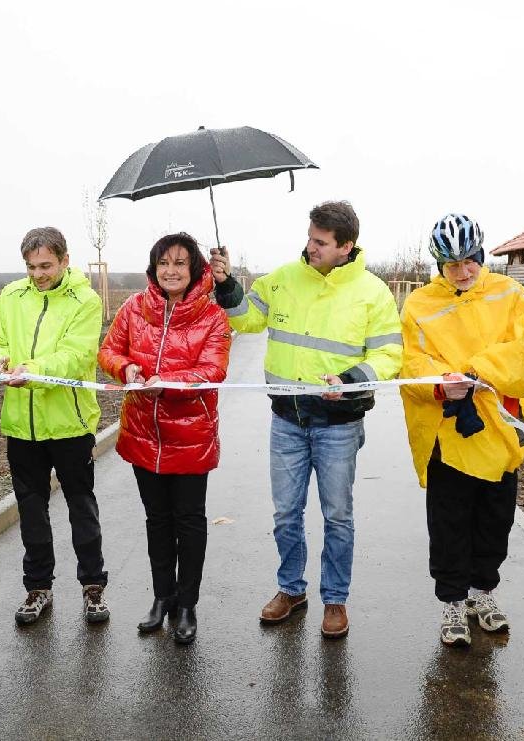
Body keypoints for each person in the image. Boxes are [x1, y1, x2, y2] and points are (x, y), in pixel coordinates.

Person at [210, 200, 402, 638]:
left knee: (337, 516)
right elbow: (248, 321)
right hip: (287, 420)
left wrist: (352, 379)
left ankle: (335, 600)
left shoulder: (372, 292)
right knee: (285, 514)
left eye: (320, 242)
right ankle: (291, 589)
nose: (310, 247)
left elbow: (391, 354)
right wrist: (226, 286)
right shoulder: (282, 278)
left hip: (339, 424)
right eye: (310, 237)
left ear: (345, 246)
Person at [399, 213, 524, 646]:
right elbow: (412, 361)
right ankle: (451, 602)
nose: (463, 272)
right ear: (437, 265)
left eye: (469, 261)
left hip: (499, 429)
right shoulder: (419, 304)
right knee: (449, 521)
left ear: (481, 254)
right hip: (448, 434)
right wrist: (440, 384)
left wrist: (474, 369)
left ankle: (481, 594)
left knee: (494, 518)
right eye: (452, 265)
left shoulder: (511, 294)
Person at [99, 233, 231, 645]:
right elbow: (108, 352)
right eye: (163, 263)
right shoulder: (134, 308)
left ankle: (187, 604)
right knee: (157, 520)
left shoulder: (212, 318)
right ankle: (162, 598)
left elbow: (213, 370)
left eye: (179, 263)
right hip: (143, 434)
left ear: (194, 270)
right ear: (153, 268)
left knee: (189, 522)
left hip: (191, 436)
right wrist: (128, 371)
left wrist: (167, 382)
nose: (170, 271)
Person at [0, 226, 108, 626]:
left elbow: (75, 356)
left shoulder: (86, 300)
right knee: (31, 511)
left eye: (46, 266)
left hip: (69, 424)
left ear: (65, 260)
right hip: (21, 426)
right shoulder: (11, 296)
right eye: (32, 267)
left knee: (81, 507)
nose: (38, 274)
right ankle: (38, 589)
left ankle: (93, 588)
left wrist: (31, 370)